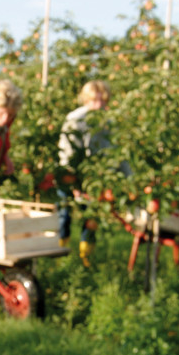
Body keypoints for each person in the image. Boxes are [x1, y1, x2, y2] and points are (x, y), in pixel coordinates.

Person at [56, 80, 114, 266]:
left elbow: (115, 151)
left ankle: (85, 257)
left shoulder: (108, 121)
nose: (98, 105)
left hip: (93, 176)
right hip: (70, 173)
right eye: (93, 100)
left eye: (102, 101)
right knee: (64, 213)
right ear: (86, 100)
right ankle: (60, 252)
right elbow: (68, 152)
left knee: (91, 216)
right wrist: (72, 182)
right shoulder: (76, 119)